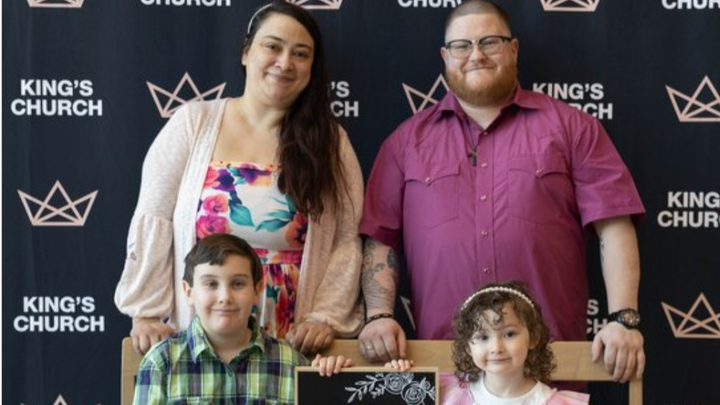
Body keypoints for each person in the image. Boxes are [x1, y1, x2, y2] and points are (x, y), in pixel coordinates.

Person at [358, 0, 645, 383]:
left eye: (489, 42)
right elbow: (381, 240)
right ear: (445, 56)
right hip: (446, 368)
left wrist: (622, 318)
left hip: (551, 364)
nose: (475, 55)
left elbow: (614, 224)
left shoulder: (573, 127)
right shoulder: (404, 143)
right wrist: (379, 315)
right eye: (461, 46)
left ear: (513, 49)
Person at [115, 0, 364, 357]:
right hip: (203, 342)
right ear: (247, 52)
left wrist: (324, 317)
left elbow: (344, 240)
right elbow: (154, 218)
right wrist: (147, 313)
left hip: (293, 347)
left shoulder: (331, 142)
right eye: (273, 46)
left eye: (300, 54)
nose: (285, 63)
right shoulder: (193, 123)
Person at [132, 233, 352, 405]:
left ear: (257, 290)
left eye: (237, 284)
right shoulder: (161, 363)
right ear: (188, 292)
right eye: (211, 284)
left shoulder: (291, 364)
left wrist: (328, 386)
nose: (225, 297)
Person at [388, 281, 590, 404]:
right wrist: (397, 378)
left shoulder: (555, 403)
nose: (496, 348)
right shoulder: (445, 392)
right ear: (468, 346)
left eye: (509, 334)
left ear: (533, 337)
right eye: (483, 337)